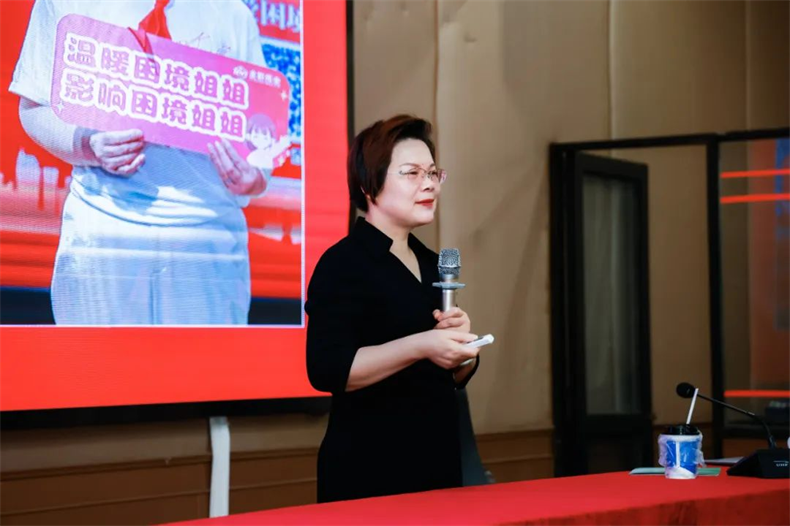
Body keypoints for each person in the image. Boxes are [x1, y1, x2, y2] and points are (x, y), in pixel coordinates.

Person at [10, 0, 270, 324]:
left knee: (205, 358)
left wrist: (254, 177)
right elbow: (35, 107)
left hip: (206, 236)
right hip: (104, 226)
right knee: (96, 357)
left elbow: (264, 133)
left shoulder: (232, 13)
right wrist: (89, 145)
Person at [305, 115, 481, 502]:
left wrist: (462, 350)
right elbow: (328, 369)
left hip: (437, 462)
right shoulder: (343, 263)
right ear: (369, 184)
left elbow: (450, 377)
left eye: (433, 173)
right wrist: (422, 344)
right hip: (368, 469)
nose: (429, 184)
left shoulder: (433, 263)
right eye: (412, 173)